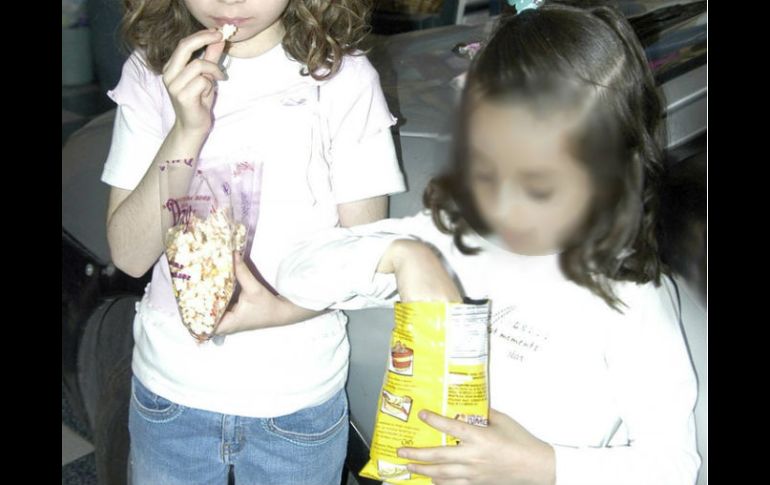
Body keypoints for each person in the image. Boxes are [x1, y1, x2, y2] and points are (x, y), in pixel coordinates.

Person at [275, 2, 700, 483]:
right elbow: (297, 273)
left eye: (539, 184)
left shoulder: (629, 294)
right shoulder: (452, 241)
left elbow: (674, 466)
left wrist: (540, 465)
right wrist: (403, 255)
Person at [101, 0, 406, 481]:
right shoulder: (153, 70)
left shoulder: (342, 78)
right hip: (169, 393)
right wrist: (186, 131)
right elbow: (130, 255)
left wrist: (282, 309)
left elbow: (366, 256)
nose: (230, 2)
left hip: (297, 400)